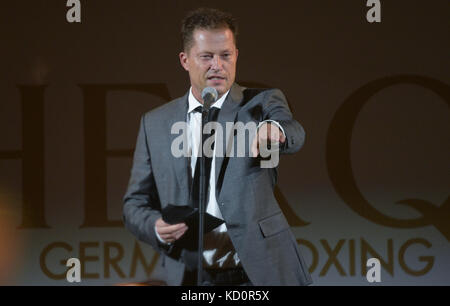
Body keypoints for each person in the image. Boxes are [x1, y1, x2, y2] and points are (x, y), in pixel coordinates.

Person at [123, 7, 312, 286]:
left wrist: (275, 129)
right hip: (192, 275)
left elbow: (293, 130)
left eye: (225, 55)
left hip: (259, 273)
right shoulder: (155, 123)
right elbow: (134, 205)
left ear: (236, 55)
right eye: (206, 57)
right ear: (185, 60)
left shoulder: (260, 104)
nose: (217, 65)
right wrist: (156, 227)